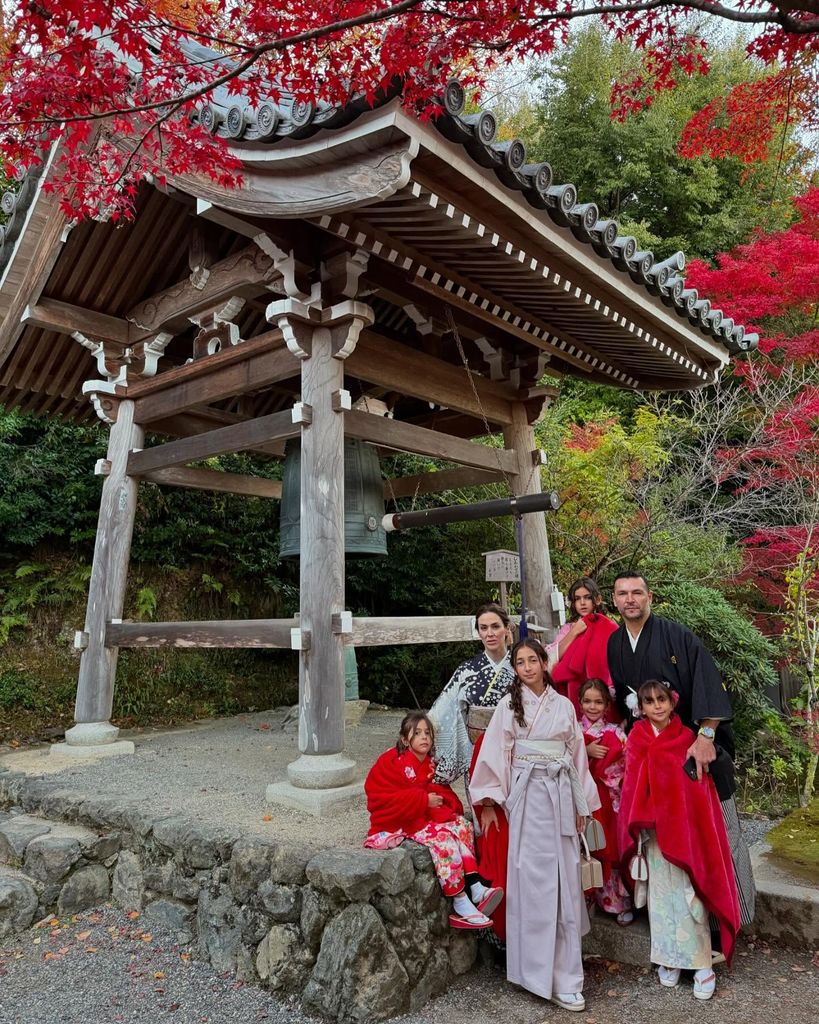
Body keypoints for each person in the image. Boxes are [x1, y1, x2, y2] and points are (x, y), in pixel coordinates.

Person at [607, 571, 756, 926]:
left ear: (650, 597)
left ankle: (729, 913)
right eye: (623, 594)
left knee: (714, 830)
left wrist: (706, 736)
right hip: (650, 753)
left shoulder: (678, 636)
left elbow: (707, 682)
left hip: (690, 748)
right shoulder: (615, 643)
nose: (630, 599)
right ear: (613, 600)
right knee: (658, 836)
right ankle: (665, 915)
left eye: (637, 593)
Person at [470, 639, 600, 1012]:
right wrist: (492, 800)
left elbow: (576, 757)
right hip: (527, 799)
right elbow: (495, 753)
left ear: (545, 663)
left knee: (565, 883)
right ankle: (533, 973)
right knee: (534, 883)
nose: (527, 667)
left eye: (533, 660)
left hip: (560, 792)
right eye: (520, 662)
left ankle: (568, 976)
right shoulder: (509, 706)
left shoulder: (563, 706)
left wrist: (583, 804)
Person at [619, 680, 740, 1000]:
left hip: (685, 832)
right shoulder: (637, 738)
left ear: (673, 703)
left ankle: (702, 965)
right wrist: (640, 822)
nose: (657, 706)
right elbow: (631, 785)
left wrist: (686, 823)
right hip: (654, 833)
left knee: (690, 897)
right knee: (660, 901)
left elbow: (698, 790)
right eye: (649, 701)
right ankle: (669, 961)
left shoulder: (687, 738)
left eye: (662, 699)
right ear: (640, 707)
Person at [364, 711, 503, 929]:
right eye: (417, 733)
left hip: (423, 813)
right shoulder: (395, 762)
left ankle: (476, 887)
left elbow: (436, 788)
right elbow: (381, 793)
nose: (424, 737)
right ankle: (460, 901)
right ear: (404, 739)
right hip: (406, 819)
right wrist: (422, 800)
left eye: (427, 733)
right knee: (444, 841)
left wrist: (441, 803)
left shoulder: (428, 763)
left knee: (462, 826)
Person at [429, 603, 514, 787]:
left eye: (495, 626)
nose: (489, 633)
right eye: (483, 628)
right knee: (482, 810)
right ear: (478, 632)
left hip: (514, 750)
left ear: (507, 628)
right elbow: (442, 710)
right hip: (478, 751)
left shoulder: (520, 665)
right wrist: (418, 734)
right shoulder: (467, 669)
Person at [578, 678, 632, 925]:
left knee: (610, 848)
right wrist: (584, 752)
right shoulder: (573, 733)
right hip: (581, 801)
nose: (592, 706)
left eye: (598, 702)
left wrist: (604, 772)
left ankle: (618, 902)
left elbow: (625, 768)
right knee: (585, 848)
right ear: (579, 703)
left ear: (607, 705)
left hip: (610, 801)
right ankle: (586, 900)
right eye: (587, 701)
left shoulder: (616, 733)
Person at [548, 577, 619, 718]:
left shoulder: (609, 627)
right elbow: (554, 656)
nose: (582, 603)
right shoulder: (568, 628)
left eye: (587, 597)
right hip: (574, 687)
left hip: (602, 687)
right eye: (577, 598)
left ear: (597, 599)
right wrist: (574, 632)